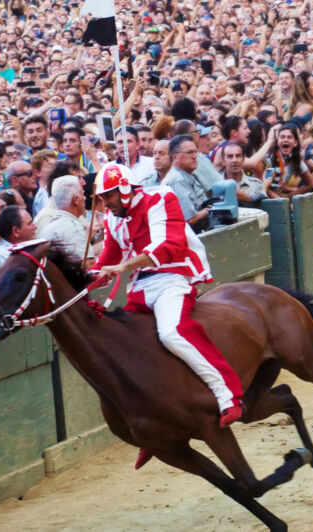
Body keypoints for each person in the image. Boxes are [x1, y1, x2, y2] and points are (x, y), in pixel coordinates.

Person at [88, 163, 245, 469]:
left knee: (172, 332)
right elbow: (108, 256)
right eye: (102, 198)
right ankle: (153, 431)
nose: (104, 203)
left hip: (172, 279)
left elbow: (168, 247)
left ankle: (227, 393)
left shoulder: (160, 199)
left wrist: (123, 267)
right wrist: (90, 274)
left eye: (107, 196)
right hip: (139, 288)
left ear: (123, 190)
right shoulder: (113, 216)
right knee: (128, 348)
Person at [36, 175, 98, 266]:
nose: (85, 198)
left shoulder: (50, 226)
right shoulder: (72, 227)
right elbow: (88, 266)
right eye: (82, 194)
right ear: (76, 200)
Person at [162, 135, 212, 228]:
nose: (194, 157)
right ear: (174, 156)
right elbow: (190, 220)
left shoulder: (183, 175)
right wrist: (208, 210)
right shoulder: (178, 179)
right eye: (189, 153)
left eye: (195, 152)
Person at [0, 205, 37, 278]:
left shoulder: (26, 249)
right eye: (29, 223)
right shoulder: (1, 256)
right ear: (16, 231)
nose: (35, 227)